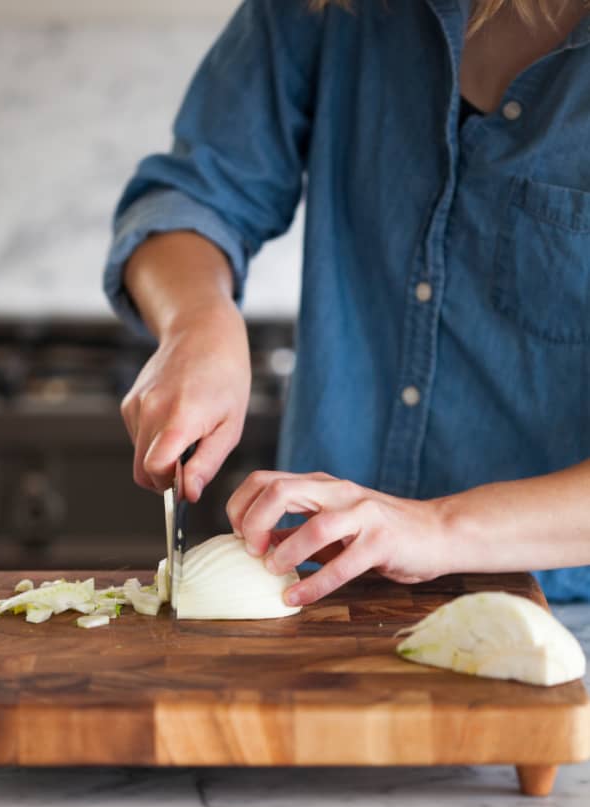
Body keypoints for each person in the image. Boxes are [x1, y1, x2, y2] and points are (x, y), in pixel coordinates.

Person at [104, 0, 590, 607]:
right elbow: (196, 194)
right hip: (323, 596)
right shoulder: (331, 9)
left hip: (566, 617)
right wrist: (196, 323)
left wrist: (437, 527)